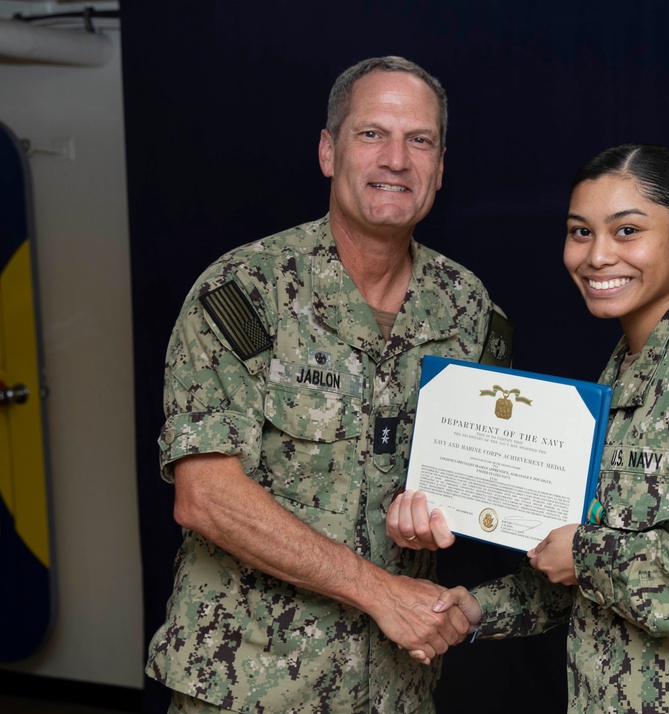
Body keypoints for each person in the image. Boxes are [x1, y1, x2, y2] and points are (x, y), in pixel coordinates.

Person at [145, 56, 514, 714]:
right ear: (328, 150)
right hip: (250, 685)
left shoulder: (469, 310)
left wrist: (441, 517)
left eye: (419, 140)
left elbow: (479, 474)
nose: (396, 159)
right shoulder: (244, 293)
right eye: (372, 133)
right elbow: (206, 497)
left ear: (439, 165)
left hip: (394, 688)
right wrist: (378, 591)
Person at [389, 144, 669, 713]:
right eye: (580, 232)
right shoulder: (618, 381)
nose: (597, 256)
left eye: (627, 230)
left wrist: (589, 556)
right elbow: (584, 569)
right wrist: (476, 611)